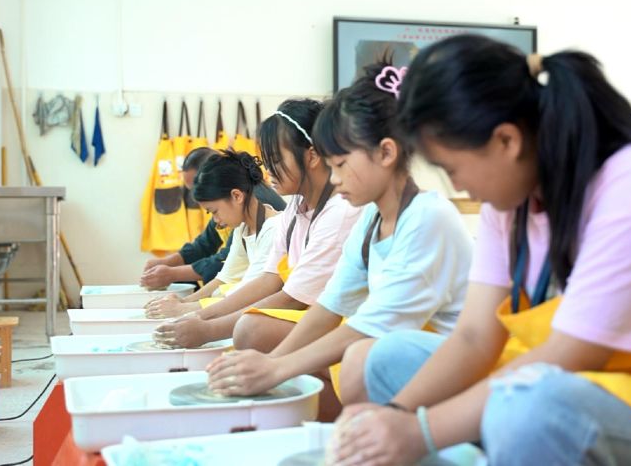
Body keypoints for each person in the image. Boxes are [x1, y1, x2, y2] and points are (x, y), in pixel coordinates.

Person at [329, 34, 631, 465]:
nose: (458, 187)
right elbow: (473, 337)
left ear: (506, 141)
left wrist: (419, 431)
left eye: (453, 169)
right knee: (387, 357)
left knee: (525, 408)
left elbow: (571, 354)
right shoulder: (510, 202)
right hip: (601, 381)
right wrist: (395, 416)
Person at [203, 61, 474, 407]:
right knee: (338, 354)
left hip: (454, 362)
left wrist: (277, 367)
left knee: (360, 358)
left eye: (341, 164)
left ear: (386, 152)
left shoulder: (427, 218)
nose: (333, 178)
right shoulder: (371, 220)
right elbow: (331, 304)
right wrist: (273, 362)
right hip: (394, 346)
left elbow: (374, 327)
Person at [151, 98, 364, 355]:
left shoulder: (340, 212)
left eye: (276, 160)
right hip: (304, 311)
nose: (268, 170)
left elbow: (293, 298)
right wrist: (197, 316)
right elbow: (269, 279)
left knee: (250, 329)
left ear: (312, 155)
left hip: (338, 324)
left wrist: (206, 327)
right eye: (266, 160)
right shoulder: (295, 208)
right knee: (242, 323)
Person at [145, 149, 282, 319]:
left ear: (236, 196)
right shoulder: (243, 228)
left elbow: (249, 293)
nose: (216, 220)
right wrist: (183, 301)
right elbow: (226, 277)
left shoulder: (274, 229)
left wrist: (182, 309)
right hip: (250, 295)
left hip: (270, 307)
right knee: (217, 287)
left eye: (214, 211)